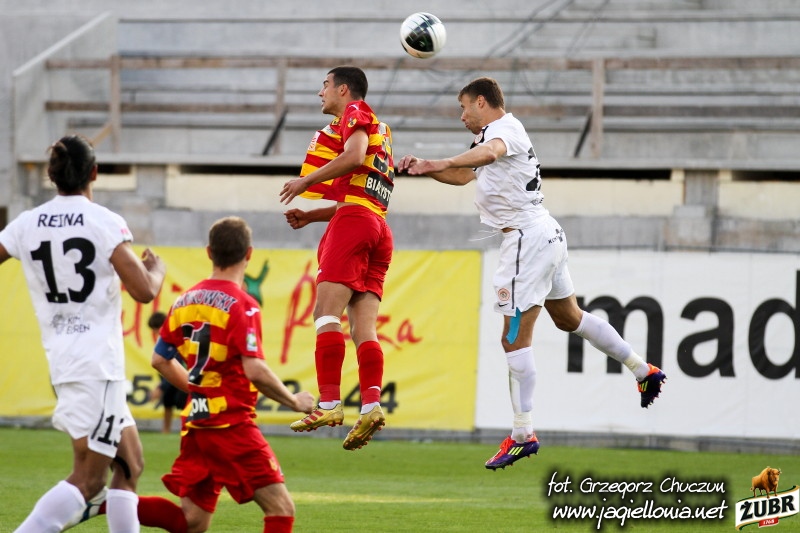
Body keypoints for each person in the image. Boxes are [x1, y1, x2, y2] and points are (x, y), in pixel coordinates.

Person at [397, 77, 667, 471]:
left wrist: (442, 161)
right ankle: (644, 370)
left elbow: (489, 154)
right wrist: (426, 167)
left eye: (464, 107)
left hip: (526, 241)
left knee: (513, 339)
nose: (462, 116)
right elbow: (465, 173)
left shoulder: (504, 130)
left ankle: (523, 434)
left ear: (482, 102)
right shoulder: (489, 136)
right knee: (569, 318)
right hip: (545, 234)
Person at [0, 134, 167, 532]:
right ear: (94, 172)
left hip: (67, 358)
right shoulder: (103, 222)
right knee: (89, 480)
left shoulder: (26, 223)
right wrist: (157, 269)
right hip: (95, 364)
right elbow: (144, 291)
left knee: (130, 464)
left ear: (51, 175)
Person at [151, 216, 315, 533]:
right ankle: (108, 502)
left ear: (209, 252)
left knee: (193, 521)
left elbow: (160, 359)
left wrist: (197, 390)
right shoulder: (243, 304)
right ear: (249, 254)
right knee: (281, 508)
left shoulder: (184, 300)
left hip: (197, 423)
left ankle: (107, 502)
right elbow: (255, 370)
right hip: (231, 423)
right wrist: (294, 401)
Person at [279, 66, 395, 450]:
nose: (320, 92)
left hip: (354, 224)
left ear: (343, 90)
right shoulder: (382, 129)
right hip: (377, 226)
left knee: (326, 314)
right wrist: (312, 215)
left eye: (325, 85)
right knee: (364, 330)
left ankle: (328, 403)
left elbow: (354, 155)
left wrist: (306, 182)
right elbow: (361, 193)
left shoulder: (355, 112)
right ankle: (371, 406)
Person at [147, 311, 188, 433]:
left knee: (183, 400)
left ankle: (186, 427)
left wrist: (161, 387)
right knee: (167, 398)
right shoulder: (165, 339)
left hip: (185, 374)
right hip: (176, 374)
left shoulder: (174, 335)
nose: (155, 333)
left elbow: (172, 363)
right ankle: (166, 429)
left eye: (156, 329)